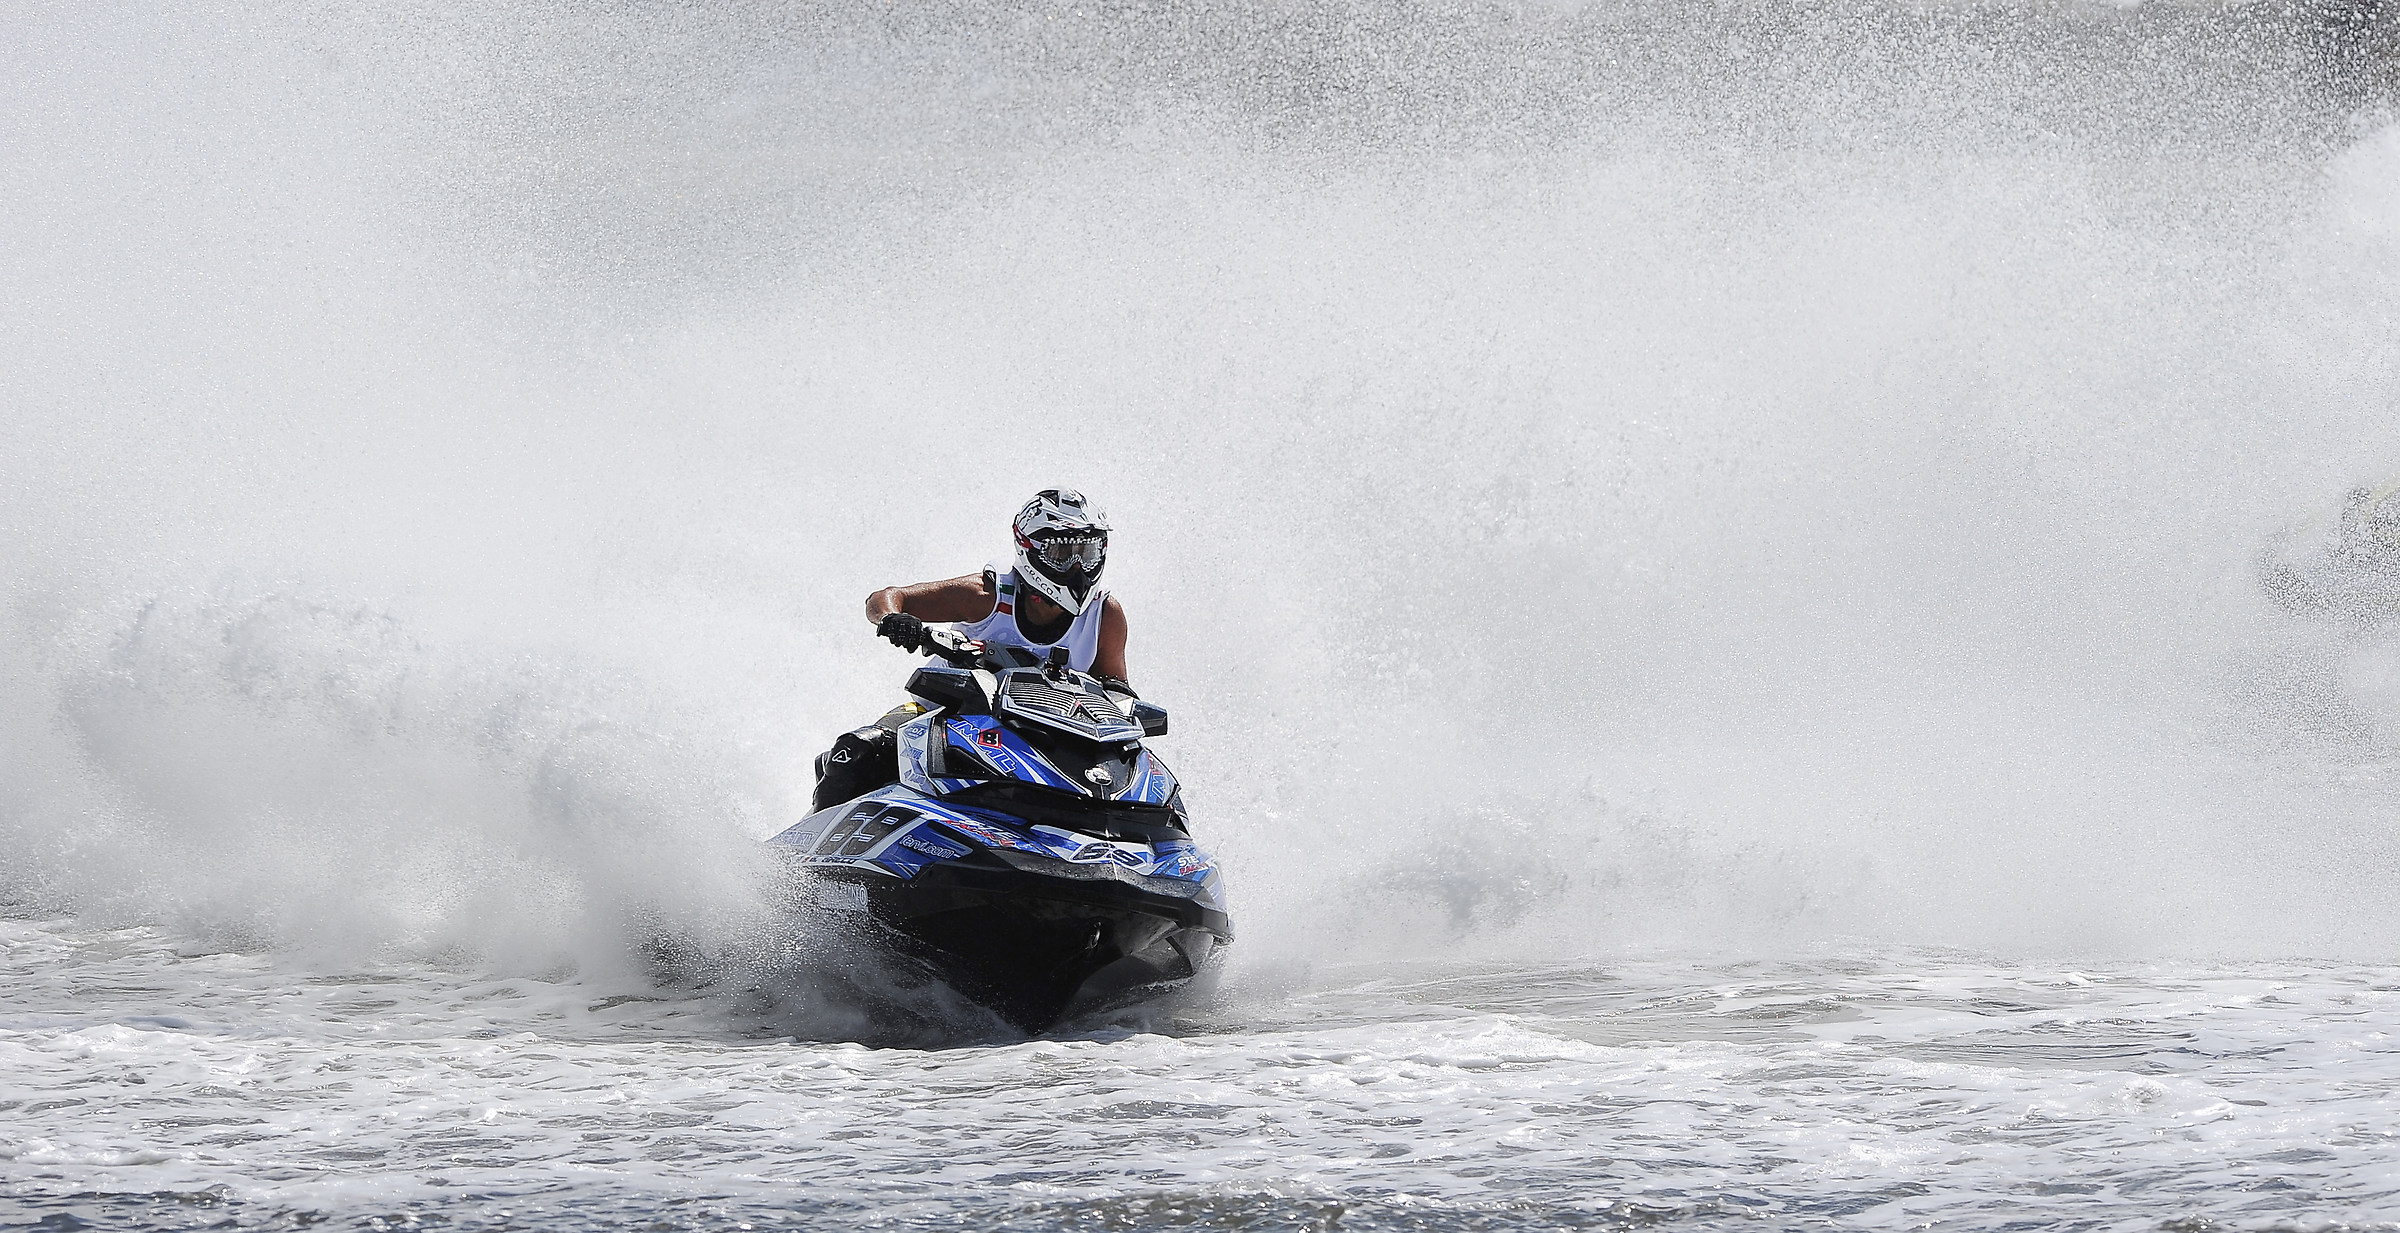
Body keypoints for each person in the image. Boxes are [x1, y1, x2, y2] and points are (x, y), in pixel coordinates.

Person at [811, 489, 1131, 811]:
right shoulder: (987, 595)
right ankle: (795, 855)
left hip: (1046, 742)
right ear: (1029, 548)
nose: (1078, 568)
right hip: (940, 715)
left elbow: (1117, 694)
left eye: (1087, 554)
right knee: (857, 753)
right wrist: (894, 619)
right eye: (1063, 555)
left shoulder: (1105, 616)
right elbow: (885, 598)